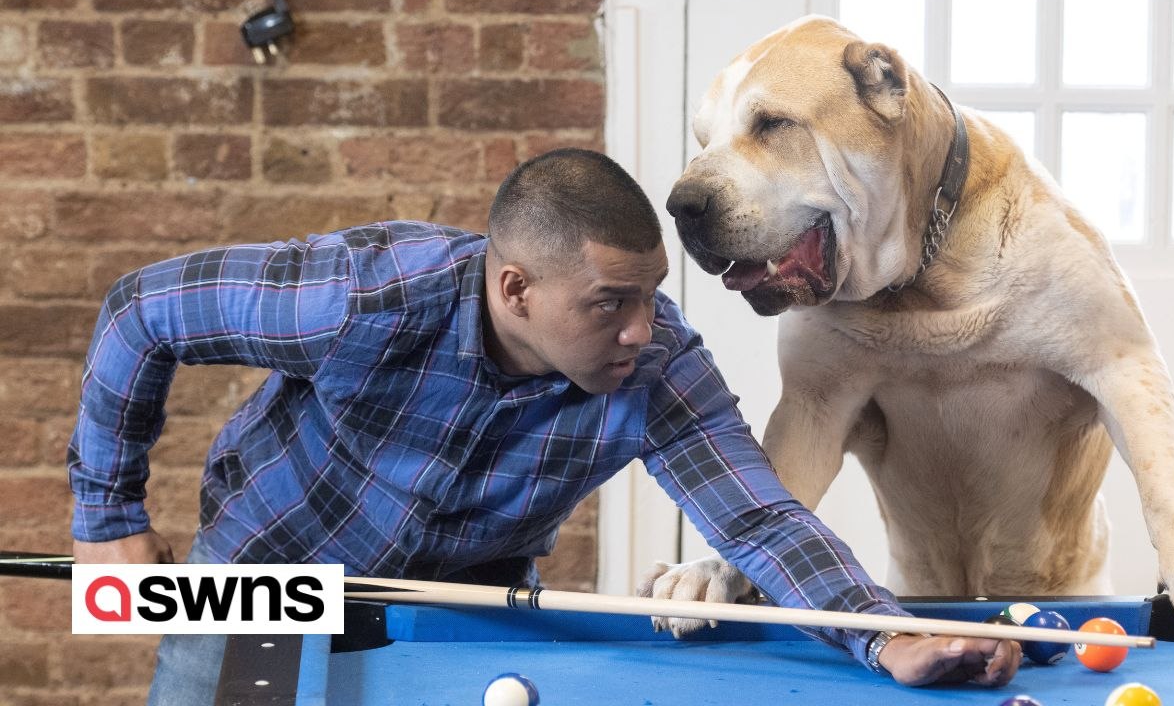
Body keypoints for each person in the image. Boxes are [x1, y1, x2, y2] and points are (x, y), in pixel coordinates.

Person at [68, 149, 1021, 704]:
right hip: (261, 582)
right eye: (610, 303)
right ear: (514, 288)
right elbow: (140, 313)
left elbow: (762, 522)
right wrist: (107, 520)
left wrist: (882, 634)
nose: (641, 330)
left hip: (465, 612)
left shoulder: (656, 365)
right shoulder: (363, 294)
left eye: (650, 298)